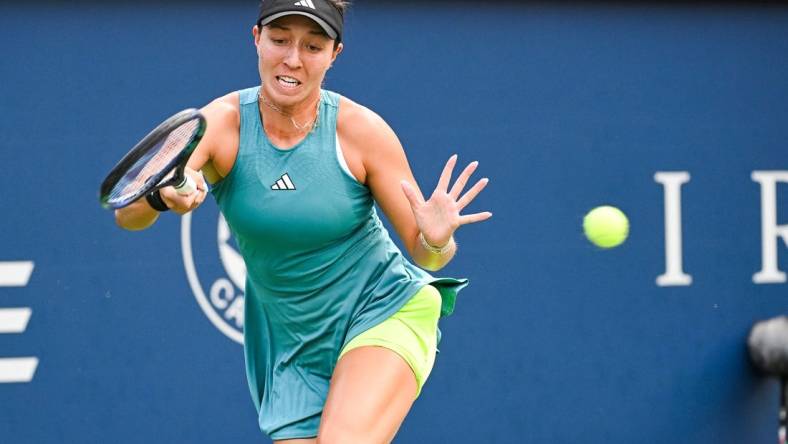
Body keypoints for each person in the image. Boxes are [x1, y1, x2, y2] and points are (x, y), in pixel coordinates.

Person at [114, 0, 491, 442]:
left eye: (312, 46)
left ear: (335, 55)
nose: (292, 59)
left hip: (381, 309)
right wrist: (164, 195)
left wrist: (436, 238)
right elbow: (128, 212)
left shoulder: (361, 131)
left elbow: (428, 255)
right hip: (292, 345)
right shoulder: (219, 124)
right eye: (279, 40)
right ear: (256, 39)